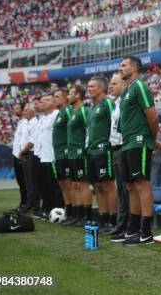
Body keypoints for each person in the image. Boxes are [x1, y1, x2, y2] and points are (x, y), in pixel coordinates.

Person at [111, 56, 161, 245]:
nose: (120, 68)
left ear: (134, 68)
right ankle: (132, 229)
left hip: (139, 142)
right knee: (130, 187)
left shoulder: (139, 86)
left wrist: (151, 138)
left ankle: (146, 232)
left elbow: (152, 116)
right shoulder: (126, 92)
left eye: (123, 65)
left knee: (141, 184)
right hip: (127, 143)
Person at [86, 76, 118, 233]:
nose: (89, 89)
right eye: (88, 86)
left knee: (108, 185)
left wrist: (110, 144)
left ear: (100, 88)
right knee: (97, 186)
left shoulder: (108, 104)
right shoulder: (92, 107)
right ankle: (103, 218)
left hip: (104, 150)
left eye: (92, 86)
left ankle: (113, 220)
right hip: (91, 151)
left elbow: (116, 124)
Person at [62, 85, 92, 227]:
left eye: (71, 94)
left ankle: (87, 216)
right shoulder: (72, 112)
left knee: (82, 184)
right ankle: (78, 215)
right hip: (72, 154)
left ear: (78, 95)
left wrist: (85, 148)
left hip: (80, 153)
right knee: (74, 185)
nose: (68, 96)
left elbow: (89, 129)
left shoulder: (84, 111)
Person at [108, 74, 129, 235]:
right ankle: (121, 223)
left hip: (123, 146)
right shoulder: (115, 104)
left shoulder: (125, 101)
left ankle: (127, 224)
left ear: (123, 85)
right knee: (120, 189)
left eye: (114, 83)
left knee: (126, 188)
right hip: (115, 147)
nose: (110, 86)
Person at [36, 94, 63, 218]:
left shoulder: (56, 115)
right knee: (47, 186)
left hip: (53, 156)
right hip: (44, 156)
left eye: (47, 100)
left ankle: (58, 211)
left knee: (55, 186)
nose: (43, 103)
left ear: (53, 102)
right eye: (42, 101)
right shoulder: (44, 117)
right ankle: (49, 210)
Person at [52, 89, 73, 222]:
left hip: (66, 153)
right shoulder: (59, 113)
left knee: (69, 183)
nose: (54, 99)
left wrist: (67, 149)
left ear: (65, 98)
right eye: (53, 96)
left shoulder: (67, 111)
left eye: (57, 97)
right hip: (58, 154)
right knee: (63, 184)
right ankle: (68, 210)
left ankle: (74, 212)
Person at [18, 102, 40, 215]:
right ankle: (29, 203)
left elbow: (32, 141)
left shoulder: (35, 123)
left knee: (32, 181)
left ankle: (35, 205)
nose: (23, 112)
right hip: (25, 154)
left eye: (26, 110)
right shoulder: (26, 123)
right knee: (27, 181)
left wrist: (23, 151)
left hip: (30, 153)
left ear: (32, 111)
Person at [11, 103, 28, 210]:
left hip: (22, 156)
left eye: (16, 108)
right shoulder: (20, 122)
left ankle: (26, 204)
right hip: (16, 155)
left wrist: (22, 153)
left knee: (24, 182)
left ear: (22, 110)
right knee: (21, 182)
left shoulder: (26, 122)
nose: (14, 109)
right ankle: (23, 203)